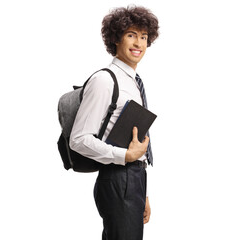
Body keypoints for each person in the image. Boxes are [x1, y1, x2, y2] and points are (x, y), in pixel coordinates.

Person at [69, 5, 159, 240]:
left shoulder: (133, 81)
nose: (139, 43)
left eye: (143, 36)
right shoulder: (104, 80)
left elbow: (135, 142)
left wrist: (144, 191)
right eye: (131, 35)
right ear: (116, 38)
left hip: (134, 179)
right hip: (119, 179)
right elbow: (78, 140)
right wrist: (125, 157)